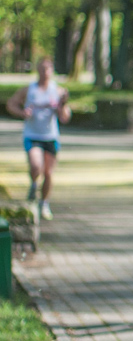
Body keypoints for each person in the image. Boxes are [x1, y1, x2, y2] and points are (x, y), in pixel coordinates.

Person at [6, 56, 71, 221]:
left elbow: (65, 117)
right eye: (42, 68)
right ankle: (34, 184)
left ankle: (44, 204)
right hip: (32, 134)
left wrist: (62, 105)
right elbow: (11, 104)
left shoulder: (58, 91)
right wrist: (22, 113)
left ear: (52, 71)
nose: (45, 72)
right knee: (36, 166)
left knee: (48, 173)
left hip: (51, 136)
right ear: (37, 70)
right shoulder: (29, 90)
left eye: (47, 69)